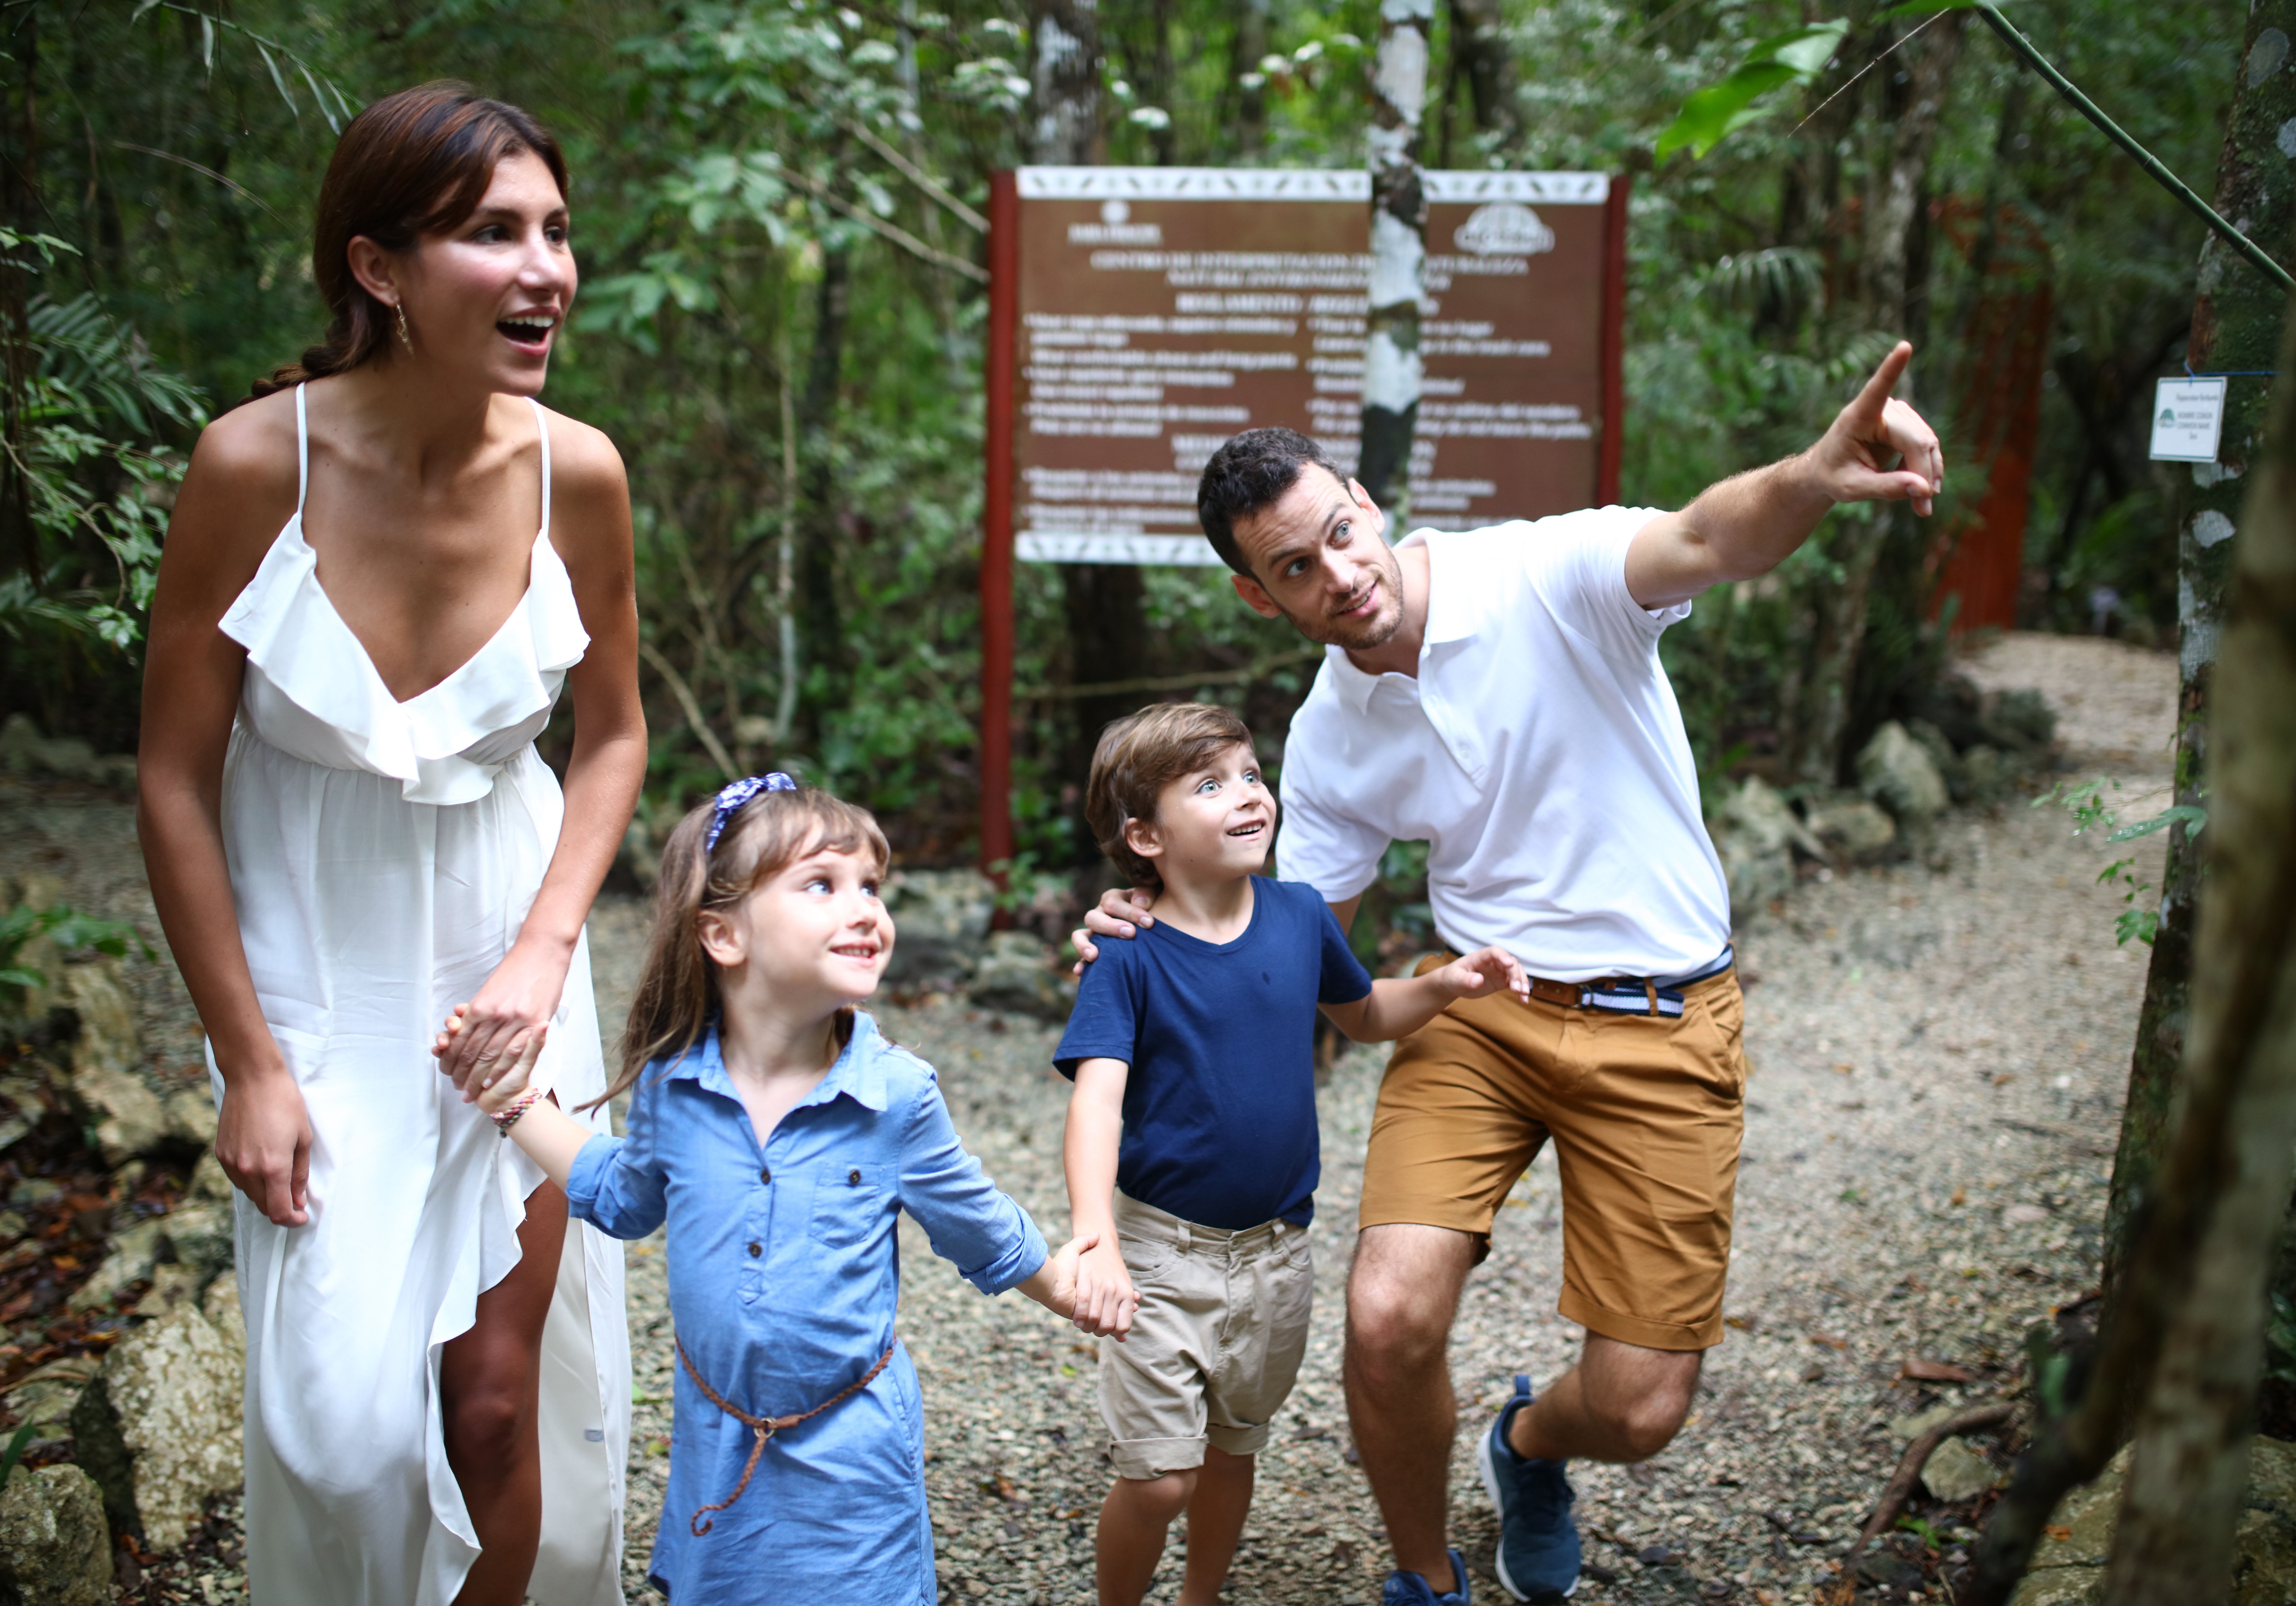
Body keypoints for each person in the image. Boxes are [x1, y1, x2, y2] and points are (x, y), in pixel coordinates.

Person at [1073, 346, 1945, 1604]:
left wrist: (1813, 473)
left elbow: (1708, 536)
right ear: (1262, 597)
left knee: (1643, 1407)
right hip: (1476, 1007)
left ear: (1368, 502)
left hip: (1663, 1011)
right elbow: (1278, 940)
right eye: (1295, 570)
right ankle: (1428, 1575)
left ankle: (1526, 1441)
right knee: (1386, 1314)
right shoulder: (1328, 735)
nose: (1338, 576)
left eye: (1337, 535)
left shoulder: (1546, 573)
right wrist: (1150, 925)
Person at [136, 84, 642, 1605]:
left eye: (557, 231)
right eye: (495, 233)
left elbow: (611, 733)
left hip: (508, 957)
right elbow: (170, 776)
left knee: (492, 1412)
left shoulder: (581, 474)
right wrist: (250, 1066)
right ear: (378, 267)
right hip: (315, 966)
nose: (548, 267)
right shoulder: (249, 470)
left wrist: (546, 955)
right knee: (343, 1435)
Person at [457, 776, 1096, 1600]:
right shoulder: (672, 1089)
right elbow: (622, 1196)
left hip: (854, 1456)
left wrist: (1074, 1289)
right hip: (719, 1450)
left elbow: (978, 1224)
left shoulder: (896, 1097)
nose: (866, 908)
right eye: (823, 886)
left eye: (872, 886)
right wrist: (510, 1100)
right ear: (723, 936)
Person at [1055, 702, 1528, 1606]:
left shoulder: (1300, 915)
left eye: (1250, 777)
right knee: (1160, 1477)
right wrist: (1094, 1238)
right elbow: (1097, 1104)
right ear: (1145, 836)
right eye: (1210, 785)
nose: (1248, 799)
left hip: (1279, 1257)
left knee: (1235, 1450)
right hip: (1162, 1255)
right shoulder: (1129, 954)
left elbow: (1362, 1016)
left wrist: (1446, 985)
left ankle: (1201, 1597)